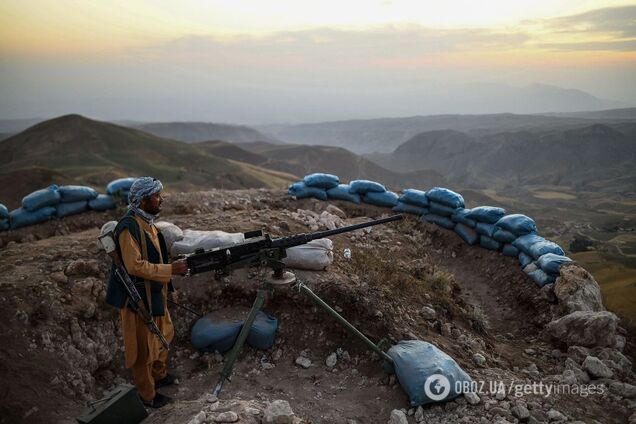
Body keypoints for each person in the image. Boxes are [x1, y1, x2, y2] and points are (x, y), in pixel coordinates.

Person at [105, 177, 188, 408]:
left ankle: (159, 377)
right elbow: (134, 266)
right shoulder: (128, 227)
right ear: (143, 200)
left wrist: (168, 286)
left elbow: (157, 257)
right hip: (136, 299)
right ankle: (147, 395)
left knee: (165, 335)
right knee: (142, 350)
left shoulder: (149, 224)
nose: (160, 199)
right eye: (155, 196)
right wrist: (171, 270)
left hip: (155, 294)